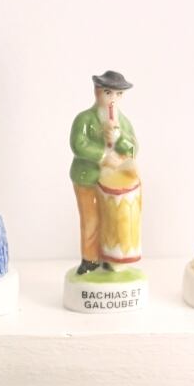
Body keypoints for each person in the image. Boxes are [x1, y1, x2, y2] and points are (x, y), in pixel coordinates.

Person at [69, 70, 138, 274]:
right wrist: (103, 156)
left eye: (119, 94)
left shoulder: (123, 122)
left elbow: (134, 149)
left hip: (113, 179)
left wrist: (119, 139)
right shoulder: (84, 119)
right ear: (97, 92)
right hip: (88, 178)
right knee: (91, 220)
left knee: (112, 219)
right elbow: (78, 144)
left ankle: (110, 257)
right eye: (108, 92)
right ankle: (90, 259)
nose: (113, 99)